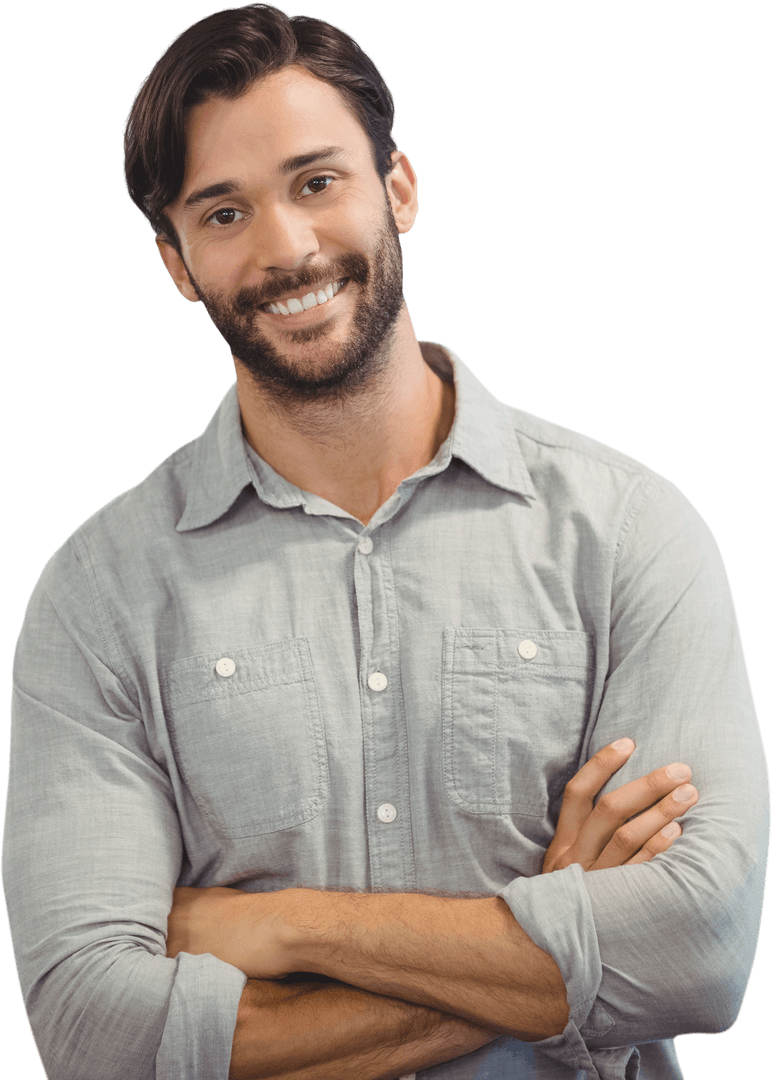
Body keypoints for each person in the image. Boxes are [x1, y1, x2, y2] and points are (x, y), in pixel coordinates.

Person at [3, 4, 768, 1079]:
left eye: (317, 182)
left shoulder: (630, 532)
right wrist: (561, 944)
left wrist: (285, 929)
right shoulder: (99, 594)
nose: (286, 247)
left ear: (397, 187)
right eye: (223, 213)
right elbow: (93, 1033)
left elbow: (698, 953)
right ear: (175, 261)